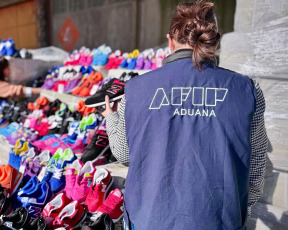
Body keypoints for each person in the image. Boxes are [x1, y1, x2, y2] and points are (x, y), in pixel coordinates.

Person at [102, 1, 268, 229]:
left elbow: (124, 153)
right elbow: (256, 169)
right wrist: (239, 212)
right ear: (214, 41)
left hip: (150, 220)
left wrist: (111, 118)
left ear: (170, 41)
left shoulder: (136, 89)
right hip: (218, 221)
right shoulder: (247, 90)